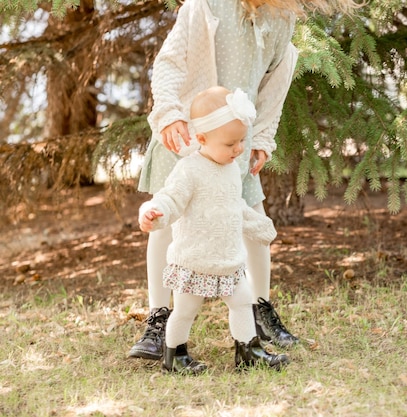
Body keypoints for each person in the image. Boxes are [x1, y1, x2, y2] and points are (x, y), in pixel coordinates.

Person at [130, 0, 361, 361]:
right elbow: (170, 63)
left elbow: (275, 84)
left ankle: (259, 311)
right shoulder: (205, 6)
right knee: (164, 225)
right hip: (188, 135)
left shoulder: (281, 17)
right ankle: (159, 321)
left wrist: (264, 138)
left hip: (236, 146)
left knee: (252, 219)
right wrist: (169, 114)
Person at [138, 86, 290, 373]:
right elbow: (170, 199)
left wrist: (259, 226)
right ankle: (175, 355)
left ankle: (249, 352)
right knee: (185, 310)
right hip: (195, 260)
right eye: (231, 143)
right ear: (202, 139)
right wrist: (154, 214)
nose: (239, 149)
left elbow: (235, 206)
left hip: (229, 259)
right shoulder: (189, 170)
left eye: (242, 140)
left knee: (243, 303)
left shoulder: (231, 169)